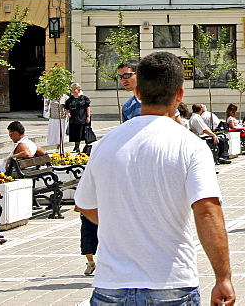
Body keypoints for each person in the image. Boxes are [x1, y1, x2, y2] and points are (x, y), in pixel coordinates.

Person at [75, 51, 235, 305]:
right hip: (170, 281)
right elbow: (207, 211)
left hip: (112, 284)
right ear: (179, 94)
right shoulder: (190, 145)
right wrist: (222, 277)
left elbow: (83, 203)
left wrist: (122, 225)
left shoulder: (105, 145)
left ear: (138, 92)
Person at [65, 84, 92, 153]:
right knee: (75, 133)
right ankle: (76, 146)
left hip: (82, 117)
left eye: (74, 89)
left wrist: (88, 116)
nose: (73, 91)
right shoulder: (70, 99)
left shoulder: (84, 98)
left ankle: (83, 147)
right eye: (72, 89)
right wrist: (68, 113)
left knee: (82, 132)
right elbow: (67, 108)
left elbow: (87, 107)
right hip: (73, 118)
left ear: (78, 90)